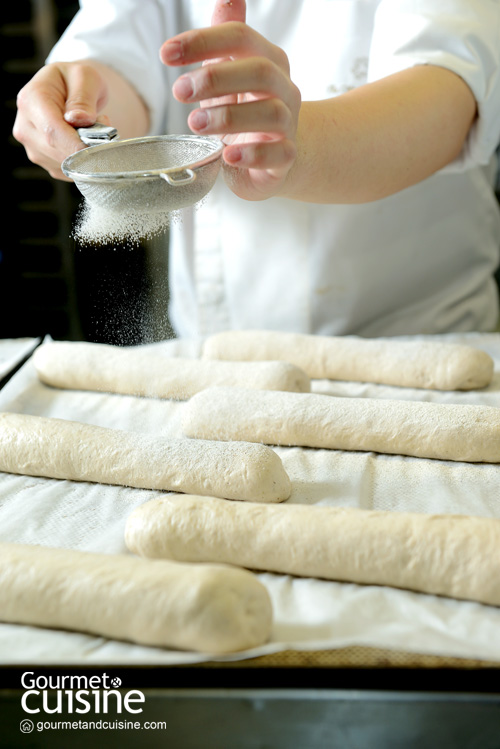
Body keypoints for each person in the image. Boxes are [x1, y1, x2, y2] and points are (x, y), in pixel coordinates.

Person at [13, 0, 500, 339]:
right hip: (218, 352)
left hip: (413, 338)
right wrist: (85, 105)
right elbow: (123, 54)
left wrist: (302, 144)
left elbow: (450, 90)